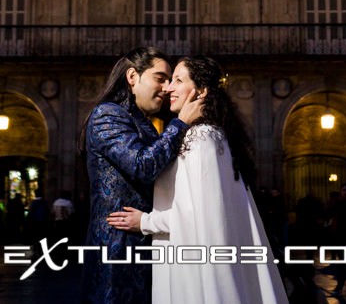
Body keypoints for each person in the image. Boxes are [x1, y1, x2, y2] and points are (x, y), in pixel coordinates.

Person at [106, 56, 285, 304]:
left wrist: (146, 221)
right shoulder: (206, 134)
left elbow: (201, 213)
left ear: (200, 91)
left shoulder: (202, 138)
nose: (168, 88)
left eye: (178, 80)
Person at [81, 46, 203, 304]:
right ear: (132, 77)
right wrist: (180, 124)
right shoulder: (108, 114)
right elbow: (142, 165)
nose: (167, 87)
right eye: (160, 78)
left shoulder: (143, 122)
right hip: (117, 247)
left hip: (144, 241)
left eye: (171, 80)